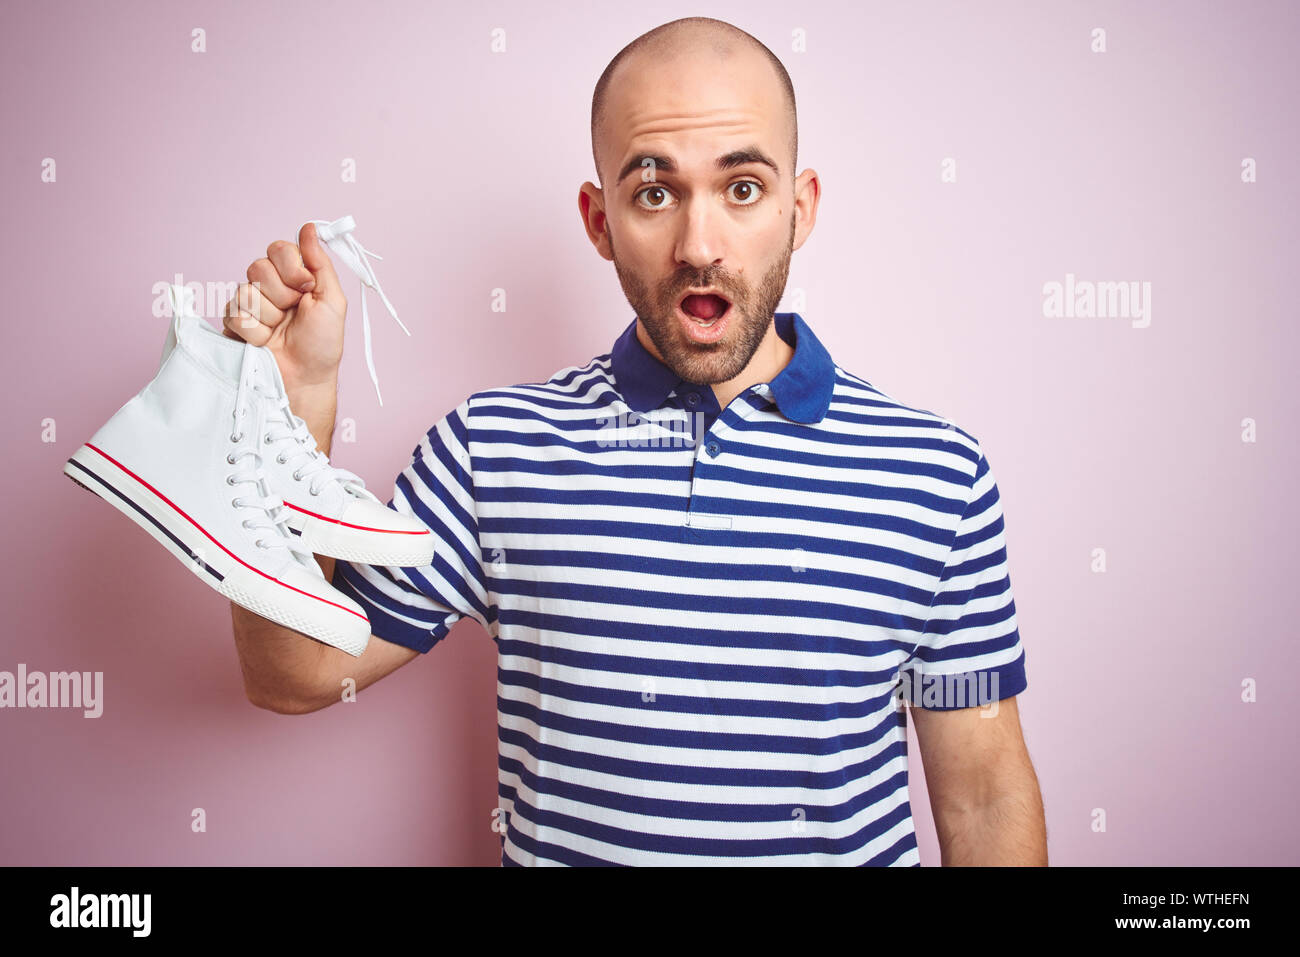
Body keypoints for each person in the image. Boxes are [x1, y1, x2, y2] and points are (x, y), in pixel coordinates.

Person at [221, 16, 1047, 866]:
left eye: (743, 188)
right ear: (599, 219)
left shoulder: (937, 476)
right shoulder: (489, 453)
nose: (700, 246)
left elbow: (984, 798)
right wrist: (287, 410)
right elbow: (292, 672)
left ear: (799, 210)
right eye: (655, 192)